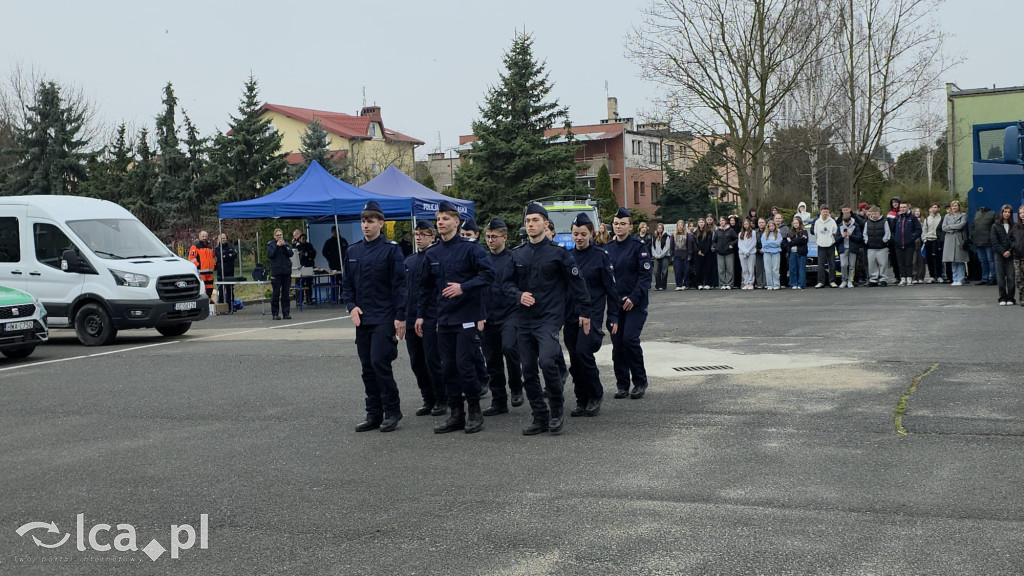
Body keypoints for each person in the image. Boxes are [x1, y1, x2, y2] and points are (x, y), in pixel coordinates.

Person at [504, 203, 591, 436]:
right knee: (529, 370)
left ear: (546, 223)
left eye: (535, 220)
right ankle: (539, 416)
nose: (530, 224)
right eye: (528, 221)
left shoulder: (559, 253)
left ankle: (556, 410)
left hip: (549, 320)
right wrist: (518, 295)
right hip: (524, 320)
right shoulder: (517, 254)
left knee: (548, 362)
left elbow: (577, 284)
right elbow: (505, 284)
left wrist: (585, 312)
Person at [416, 201, 495, 435]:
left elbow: (489, 274)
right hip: (444, 320)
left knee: (465, 365)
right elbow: (425, 287)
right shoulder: (433, 253)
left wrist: (464, 287)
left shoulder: (471, 249)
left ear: (456, 222)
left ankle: (474, 412)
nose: (440, 222)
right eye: (438, 218)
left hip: (467, 318)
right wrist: (420, 315)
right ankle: (456, 414)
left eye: (445, 218)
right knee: (447, 367)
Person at [342, 201, 408, 433]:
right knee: (367, 367)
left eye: (370, 221)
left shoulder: (391, 250)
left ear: (381, 223)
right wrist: (351, 306)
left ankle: (392, 410)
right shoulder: (353, 251)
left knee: (380, 363)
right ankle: (374, 412)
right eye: (363, 221)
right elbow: (347, 285)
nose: (366, 225)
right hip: (363, 318)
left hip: (384, 317)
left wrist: (400, 316)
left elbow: (400, 286)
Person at [566, 212, 617, 418]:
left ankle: (595, 394)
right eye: (576, 234)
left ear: (591, 234)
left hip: (592, 315)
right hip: (571, 315)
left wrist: (613, 317)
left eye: (583, 234)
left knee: (583, 353)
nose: (579, 237)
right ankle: (581, 399)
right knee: (575, 360)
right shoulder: (568, 257)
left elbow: (611, 290)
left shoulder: (600, 256)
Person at [604, 206, 652, 400]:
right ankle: (622, 384)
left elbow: (645, 275)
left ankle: (640, 381)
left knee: (629, 340)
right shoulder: (606, 249)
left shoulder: (638, 246)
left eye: (623, 224)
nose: (618, 227)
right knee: (617, 344)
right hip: (616, 304)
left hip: (635, 303)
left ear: (630, 226)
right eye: (616, 224)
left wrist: (634, 297)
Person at [481, 217, 524, 416]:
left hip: (510, 313)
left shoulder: (513, 258)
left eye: (494, 237)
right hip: (488, 315)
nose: (490, 240)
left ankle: (516, 387)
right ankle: (499, 400)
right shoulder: (482, 259)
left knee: (509, 348)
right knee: (492, 359)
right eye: (488, 237)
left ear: (504, 237)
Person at [404, 221, 446, 416]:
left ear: (432, 236)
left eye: (423, 234)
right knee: (417, 362)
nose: (419, 237)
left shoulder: (437, 257)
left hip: (431, 316)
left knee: (433, 360)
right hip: (412, 316)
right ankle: (427, 398)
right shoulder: (410, 261)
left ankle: (441, 398)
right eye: (416, 234)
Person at [890, 202, 921, 287]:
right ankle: (902, 278)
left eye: (904, 207)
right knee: (901, 262)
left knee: (909, 262)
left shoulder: (913, 218)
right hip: (898, 244)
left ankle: (909, 278)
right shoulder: (897, 218)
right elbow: (892, 230)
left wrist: (912, 237)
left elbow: (918, 230)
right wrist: (895, 239)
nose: (902, 209)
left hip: (909, 244)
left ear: (908, 208)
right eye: (901, 207)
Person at [266, 229, 294, 320]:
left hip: (286, 272)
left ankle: (286, 313)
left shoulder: (286, 244)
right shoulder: (271, 245)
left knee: (286, 293)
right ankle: (275, 313)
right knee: (276, 293)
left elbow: (290, 254)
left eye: (281, 235)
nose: (279, 237)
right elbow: (270, 255)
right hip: (277, 272)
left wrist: (284, 246)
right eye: (277, 235)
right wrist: (277, 247)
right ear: (274, 236)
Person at [991, 204, 1016, 305]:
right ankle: (1002, 298)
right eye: (1005, 212)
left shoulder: (1014, 226)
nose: (1007, 214)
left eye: (1009, 212)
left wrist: (1010, 251)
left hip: (1011, 254)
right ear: (1001, 213)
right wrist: (1002, 251)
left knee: (1011, 276)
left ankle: (1010, 298)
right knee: (1000, 277)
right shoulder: (995, 226)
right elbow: (994, 241)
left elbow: (1015, 240)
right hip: (999, 254)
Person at [942, 200, 970, 286]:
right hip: (949, 240)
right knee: (952, 260)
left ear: (959, 207)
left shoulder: (963, 215)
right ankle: (955, 279)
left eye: (956, 206)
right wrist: (953, 228)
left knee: (960, 260)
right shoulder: (947, 216)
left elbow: (962, 225)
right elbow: (944, 227)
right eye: (953, 206)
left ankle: (960, 279)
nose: (954, 207)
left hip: (959, 240)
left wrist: (950, 226)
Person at [863, 205, 892, 287]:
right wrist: (867, 241)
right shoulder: (867, 223)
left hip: (882, 247)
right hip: (871, 247)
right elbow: (865, 233)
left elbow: (887, 233)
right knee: (872, 264)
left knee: (883, 263)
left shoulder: (884, 222)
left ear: (879, 213)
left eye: (876, 213)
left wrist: (884, 241)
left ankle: (883, 279)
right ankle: (873, 279)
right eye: (872, 214)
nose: (874, 215)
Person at [836, 205, 864, 288]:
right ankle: (844, 280)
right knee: (844, 265)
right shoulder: (840, 226)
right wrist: (842, 236)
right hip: (843, 248)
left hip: (852, 248)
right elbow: (836, 239)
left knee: (852, 266)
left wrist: (851, 235)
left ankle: (850, 280)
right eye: (845, 222)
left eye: (848, 222)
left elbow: (859, 237)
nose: (846, 224)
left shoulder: (856, 225)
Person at [812, 204, 838, 288]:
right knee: (821, 265)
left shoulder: (832, 221)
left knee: (832, 264)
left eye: (827, 212)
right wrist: (820, 241)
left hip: (830, 245)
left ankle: (832, 281)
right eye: (824, 212)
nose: (825, 213)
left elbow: (835, 232)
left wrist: (830, 240)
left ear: (829, 212)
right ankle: (821, 282)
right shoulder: (817, 222)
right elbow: (815, 233)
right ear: (820, 212)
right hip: (821, 245)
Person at [972, 205, 997, 285]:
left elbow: (996, 227)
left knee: (991, 260)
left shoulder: (993, 213)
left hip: (989, 242)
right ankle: (984, 278)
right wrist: (972, 235)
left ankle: (993, 278)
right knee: (983, 261)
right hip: (978, 242)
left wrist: (992, 238)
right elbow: (973, 226)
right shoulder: (977, 213)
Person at [188, 230, 216, 298]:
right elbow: (191, 258)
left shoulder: (210, 247)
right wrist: (198, 266)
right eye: (203, 236)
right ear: (199, 237)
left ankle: (209, 304)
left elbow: (213, 257)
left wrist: (214, 265)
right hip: (201, 272)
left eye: (206, 236)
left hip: (210, 273)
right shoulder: (195, 247)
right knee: (202, 290)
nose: (204, 238)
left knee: (210, 290)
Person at [712, 216, 737, 289]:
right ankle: (722, 284)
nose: (721, 222)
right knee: (721, 269)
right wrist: (716, 247)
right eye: (720, 221)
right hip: (719, 253)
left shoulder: (731, 230)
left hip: (729, 252)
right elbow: (714, 241)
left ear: (726, 221)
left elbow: (736, 239)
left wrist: (732, 244)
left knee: (729, 269)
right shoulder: (717, 231)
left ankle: (729, 284)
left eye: (723, 220)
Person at [785, 218, 809, 289]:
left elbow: (803, 241)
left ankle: (801, 284)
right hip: (792, 252)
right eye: (794, 223)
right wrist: (798, 240)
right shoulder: (790, 232)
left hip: (801, 252)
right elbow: (788, 242)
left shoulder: (804, 231)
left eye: (797, 223)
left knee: (801, 269)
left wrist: (793, 241)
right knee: (792, 269)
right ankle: (793, 283)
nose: (795, 224)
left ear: (800, 223)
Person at [922, 203, 943, 283]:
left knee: (938, 259)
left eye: (935, 207)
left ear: (938, 209)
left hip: (937, 240)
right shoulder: (927, 219)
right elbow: (924, 230)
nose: (934, 209)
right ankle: (932, 276)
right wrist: (925, 239)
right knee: (929, 260)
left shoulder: (941, 218)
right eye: (932, 207)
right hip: (929, 240)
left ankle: (939, 276)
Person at [215, 233, 237, 306]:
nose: (223, 240)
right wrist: (228, 256)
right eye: (221, 238)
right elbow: (221, 257)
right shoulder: (217, 249)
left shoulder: (230, 247)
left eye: (224, 238)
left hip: (230, 271)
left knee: (230, 289)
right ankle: (221, 306)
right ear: (219, 240)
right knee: (221, 289)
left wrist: (226, 255)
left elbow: (234, 255)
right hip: (221, 271)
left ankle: (230, 305)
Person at [295, 233, 317, 305]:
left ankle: (309, 299)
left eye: (305, 238)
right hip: (301, 267)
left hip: (309, 266)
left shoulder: (309, 245)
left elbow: (313, 253)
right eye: (303, 239)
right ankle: (299, 300)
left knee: (309, 284)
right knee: (300, 284)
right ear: (300, 239)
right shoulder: (298, 246)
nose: (304, 240)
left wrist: (309, 256)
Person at [650, 222, 673, 291]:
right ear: (656, 229)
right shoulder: (654, 236)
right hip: (656, 256)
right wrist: (655, 255)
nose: (659, 229)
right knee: (656, 271)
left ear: (663, 229)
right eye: (658, 228)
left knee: (664, 271)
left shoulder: (666, 236)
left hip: (664, 256)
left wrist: (661, 255)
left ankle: (663, 286)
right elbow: (652, 247)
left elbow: (667, 247)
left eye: (661, 228)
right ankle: (658, 285)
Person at [1009, 205, 1024, 306]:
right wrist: (1013, 247)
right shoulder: (1015, 226)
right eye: (1021, 213)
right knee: (1019, 279)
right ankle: (1022, 297)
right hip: (1017, 257)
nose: (1022, 215)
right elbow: (1010, 239)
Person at [761, 220, 783, 290]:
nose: (771, 227)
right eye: (769, 226)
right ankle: (769, 284)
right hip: (767, 253)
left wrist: (770, 243)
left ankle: (776, 284)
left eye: (772, 226)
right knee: (768, 269)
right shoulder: (764, 234)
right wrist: (773, 243)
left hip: (776, 253)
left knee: (775, 269)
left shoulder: (778, 234)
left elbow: (777, 244)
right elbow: (764, 244)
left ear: (774, 226)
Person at [693, 218, 714, 289]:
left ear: (704, 223)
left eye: (702, 222)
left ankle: (708, 283)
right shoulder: (695, 232)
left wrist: (704, 252)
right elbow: (694, 243)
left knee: (707, 268)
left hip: (707, 253)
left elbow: (709, 243)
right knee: (699, 269)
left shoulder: (708, 232)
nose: (701, 223)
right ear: (698, 224)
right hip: (698, 254)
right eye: (700, 222)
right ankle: (699, 283)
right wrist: (698, 250)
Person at [672, 219, 692, 291]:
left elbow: (689, 245)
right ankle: (679, 285)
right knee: (677, 271)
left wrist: (689, 255)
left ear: (683, 226)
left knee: (686, 271)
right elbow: (672, 245)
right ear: (677, 226)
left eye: (681, 225)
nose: (680, 226)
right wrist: (672, 255)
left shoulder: (687, 234)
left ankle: (685, 284)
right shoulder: (673, 234)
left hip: (685, 255)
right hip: (676, 255)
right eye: (679, 225)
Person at [737, 219, 757, 290]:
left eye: (747, 224)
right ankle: (746, 282)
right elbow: (740, 244)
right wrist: (744, 251)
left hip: (751, 253)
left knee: (750, 268)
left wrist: (747, 251)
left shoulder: (753, 233)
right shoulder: (740, 234)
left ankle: (751, 283)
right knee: (744, 269)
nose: (746, 225)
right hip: (742, 253)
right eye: (744, 224)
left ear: (749, 224)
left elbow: (753, 243)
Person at [912, 207, 927, 283]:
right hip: (914, 242)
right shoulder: (911, 220)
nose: (917, 212)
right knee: (913, 260)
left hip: (921, 242)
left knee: (921, 260)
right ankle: (914, 277)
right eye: (916, 211)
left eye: (919, 211)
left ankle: (920, 277)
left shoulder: (924, 221)